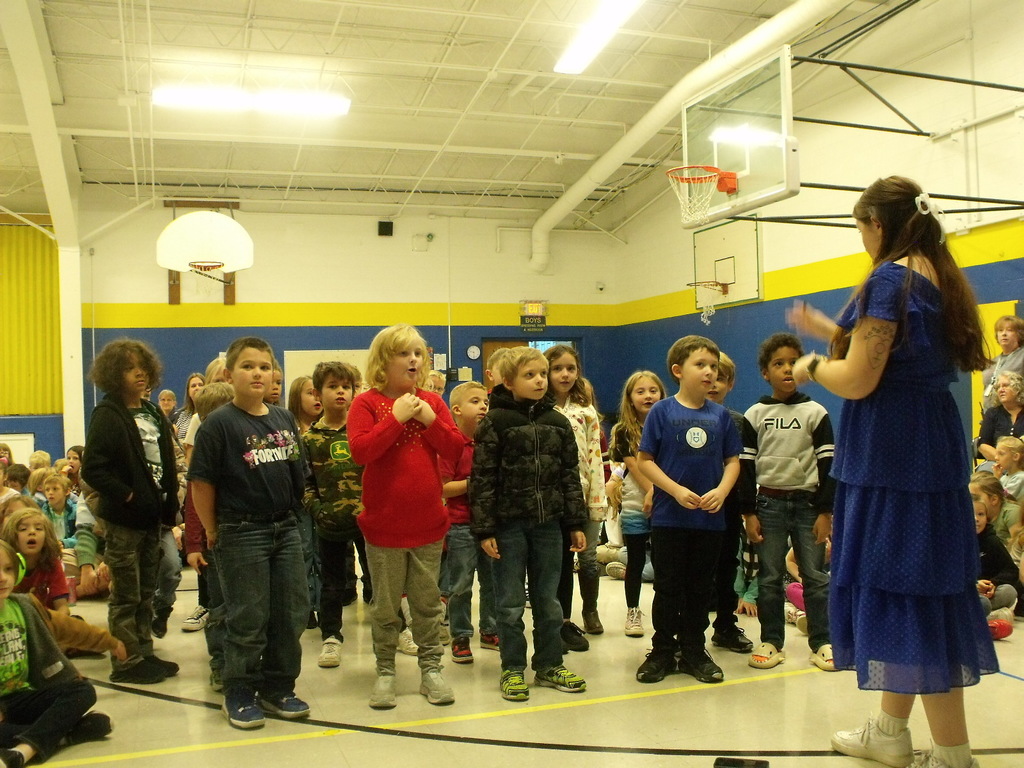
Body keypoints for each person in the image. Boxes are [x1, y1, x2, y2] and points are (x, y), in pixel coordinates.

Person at [788, 176, 994, 768]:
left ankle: (952, 753)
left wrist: (811, 365)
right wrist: (831, 331)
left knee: (909, 592)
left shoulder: (888, 278)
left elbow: (858, 378)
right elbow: (897, 349)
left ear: (877, 223)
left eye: (861, 229)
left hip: (892, 450)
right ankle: (889, 729)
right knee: (914, 584)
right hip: (927, 442)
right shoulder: (937, 273)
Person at [189, 336, 311, 730]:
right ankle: (239, 690)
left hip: (285, 528)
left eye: (264, 366)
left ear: (273, 373)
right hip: (242, 531)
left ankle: (278, 687)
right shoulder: (218, 424)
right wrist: (211, 529)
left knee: (290, 613)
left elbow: (297, 470)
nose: (257, 373)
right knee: (247, 616)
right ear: (229, 375)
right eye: (247, 366)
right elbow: (201, 484)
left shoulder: (283, 419)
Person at [347, 325, 464, 709]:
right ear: (384, 361)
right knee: (385, 607)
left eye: (417, 353)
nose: (413, 360)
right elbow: (361, 451)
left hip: (428, 524)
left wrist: (430, 419)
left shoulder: (431, 402)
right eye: (403, 353)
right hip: (384, 527)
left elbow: (455, 449)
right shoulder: (366, 404)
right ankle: (385, 671)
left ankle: (432, 670)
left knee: (428, 604)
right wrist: (395, 418)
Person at [470, 346, 588, 702]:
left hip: (548, 526)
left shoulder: (558, 422)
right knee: (509, 604)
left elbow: (569, 475)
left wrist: (575, 522)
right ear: (509, 382)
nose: (540, 381)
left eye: (542, 374)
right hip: (508, 527)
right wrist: (485, 529)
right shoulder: (495, 422)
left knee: (548, 601)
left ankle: (549, 664)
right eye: (530, 375)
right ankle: (512, 668)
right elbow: (482, 478)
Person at [634, 335, 741, 686]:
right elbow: (645, 461)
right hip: (670, 519)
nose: (709, 372)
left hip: (709, 521)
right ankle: (662, 650)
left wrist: (721, 491)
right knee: (667, 587)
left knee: (700, 588)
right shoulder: (662, 412)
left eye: (713, 366)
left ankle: (694, 649)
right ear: (678, 370)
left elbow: (733, 461)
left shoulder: (721, 416)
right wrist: (676, 491)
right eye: (701, 365)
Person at [81, 338, 180, 685]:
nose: (139, 373)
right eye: (128, 368)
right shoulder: (108, 414)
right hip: (125, 520)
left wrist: (169, 504)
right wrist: (128, 495)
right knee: (126, 594)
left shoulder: (151, 411)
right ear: (113, 374)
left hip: (152, 517)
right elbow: (93, 469)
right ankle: (126, 663)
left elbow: (166, 461)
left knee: (146, 590)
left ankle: (144, 652)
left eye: (142, 367)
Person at [739, 332, 836, 672]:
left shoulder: (816, 412)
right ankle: (771, 641)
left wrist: (825, 511)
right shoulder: (754, 414)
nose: (787, 369)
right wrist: (749, 512)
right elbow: (746, 467)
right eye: (778, 363)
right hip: (769, 504)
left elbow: (828, 465)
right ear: (765, 372)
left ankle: (822, 642)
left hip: (808, 506)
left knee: (815, 577)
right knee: (768, 578)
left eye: (794, 362)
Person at [0, 540, 128, 768]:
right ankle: (64, 734)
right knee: (95, 723)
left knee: (82, 690)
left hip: (23, 698)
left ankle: (23, 750)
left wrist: (108, 641)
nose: (3, 577)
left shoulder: (24, 606)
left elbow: (66, 626)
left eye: (8, 569)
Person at [301, 361, 364, 669]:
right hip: (330, 525)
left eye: (346, 387)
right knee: (332, 584)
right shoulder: (310, 439)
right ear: (317, 393)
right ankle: (331, 637)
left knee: (380, 581)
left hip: (367, 522)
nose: (340, 392)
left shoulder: (363, 431)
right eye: (332, 386)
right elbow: (304, 484)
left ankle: (396, 629)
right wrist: (319, 511)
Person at [544, 345, 607, 648]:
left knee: (570, 560)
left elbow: (595, 459)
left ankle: (568, 620)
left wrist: (595, 501)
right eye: (557, 369)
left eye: (570, 368)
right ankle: (550, 622)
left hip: (576, 497)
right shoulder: (539, 409)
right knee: (550, 563)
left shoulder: (585, 412)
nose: (565, 374)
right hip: (546, 497)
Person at [182, 382, 234, 692]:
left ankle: (244, 662)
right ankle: (219, 663)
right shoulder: (202, 455)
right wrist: (193, 545)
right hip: (213, 545)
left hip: (240, 539)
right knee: (219, 607)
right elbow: (193, 505)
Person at [441, 381, 498, 664]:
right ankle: (461, 635)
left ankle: (490, 630)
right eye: (475, 402)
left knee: (492, 582)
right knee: (461, 585)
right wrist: (473, 483)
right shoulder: (451, 446)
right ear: (457, 410)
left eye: (485, 402)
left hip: (490, 524)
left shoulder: (491, 443)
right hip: (460, 525)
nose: (483, 407)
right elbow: (443, 488)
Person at [608, 370, 665, 638]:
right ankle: (633, 611)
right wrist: (652, 491)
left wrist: (660, 493)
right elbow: (635, 466)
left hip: (667, 503)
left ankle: (664, 614)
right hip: (636, 504)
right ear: (630, 398)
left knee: (664, 562)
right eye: (640, 391)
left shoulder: (669, 425)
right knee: (636, 560)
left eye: (653, 391)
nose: (647, 396)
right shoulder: (623, 431)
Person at [705, 352, 755, 655]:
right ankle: (688, 630)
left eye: (720, 378)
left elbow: (746, 470)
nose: (713, 384)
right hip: (691, 508)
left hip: (728, 507)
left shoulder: (738, 422)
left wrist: (749, 510)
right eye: (708, 377)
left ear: (730, 384)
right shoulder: (676, 416)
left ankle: (725, 626)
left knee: (727, 567)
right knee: (694, 571)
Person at [2, 511, 70, 614]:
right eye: (23, 529)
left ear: (47, 536)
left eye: (38, 528)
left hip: (46, 617)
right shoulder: (6, 565)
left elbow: (62, 606)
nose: (32, 532)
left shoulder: (52, 564)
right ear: (12, 536)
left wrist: (55, 621)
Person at [972, 494, 1017, 623]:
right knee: (984, 604)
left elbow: (1011, 570)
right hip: (965, 593)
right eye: (971, 514)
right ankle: (986, 617)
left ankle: (983, 616)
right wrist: (974, 584)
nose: (976, 519)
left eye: (981, 514)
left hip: (985, 594)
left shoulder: (991, 541)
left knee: (1009, 592)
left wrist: (993, 584)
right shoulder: (954, 542)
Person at [977, 371, 1024, 464]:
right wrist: (1004, 460)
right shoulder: (992, 413)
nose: (1001, 390)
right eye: (998, 387)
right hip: (996, 462)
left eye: (1005, 386)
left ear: (1017, 389)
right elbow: (983, 445)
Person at [981, 315, 1024, 410]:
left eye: (1009, 330)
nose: (1004, 334)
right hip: (991, 414)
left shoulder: (1022, 355)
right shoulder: (991, 362)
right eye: (1000, 331)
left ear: (1019, 334)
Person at [969, 472, 1019, 547]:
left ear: (994, 500)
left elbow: (1019, 547)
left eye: (975, 498)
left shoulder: (1012, 513)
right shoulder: (977, 515)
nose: (971, 502)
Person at [174, 373, 205, 442]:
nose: (197, 388)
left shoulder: (212, 413)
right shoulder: (181, 415)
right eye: (193, 386)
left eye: (200, 385)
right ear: (188, 392)